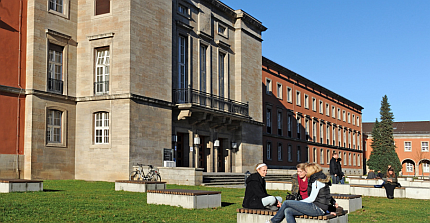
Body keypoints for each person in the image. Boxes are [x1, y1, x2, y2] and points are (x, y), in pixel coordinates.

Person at [267, 163, 337, 223]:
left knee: (287, 202)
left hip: (316, 209)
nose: (306, 173)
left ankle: (273, 221)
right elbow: (324, 197)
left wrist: (298, 203)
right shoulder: (318, 179)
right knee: (288, 211)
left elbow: (312, 199)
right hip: (317, 208)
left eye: (306, 171)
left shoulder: (317, 181)